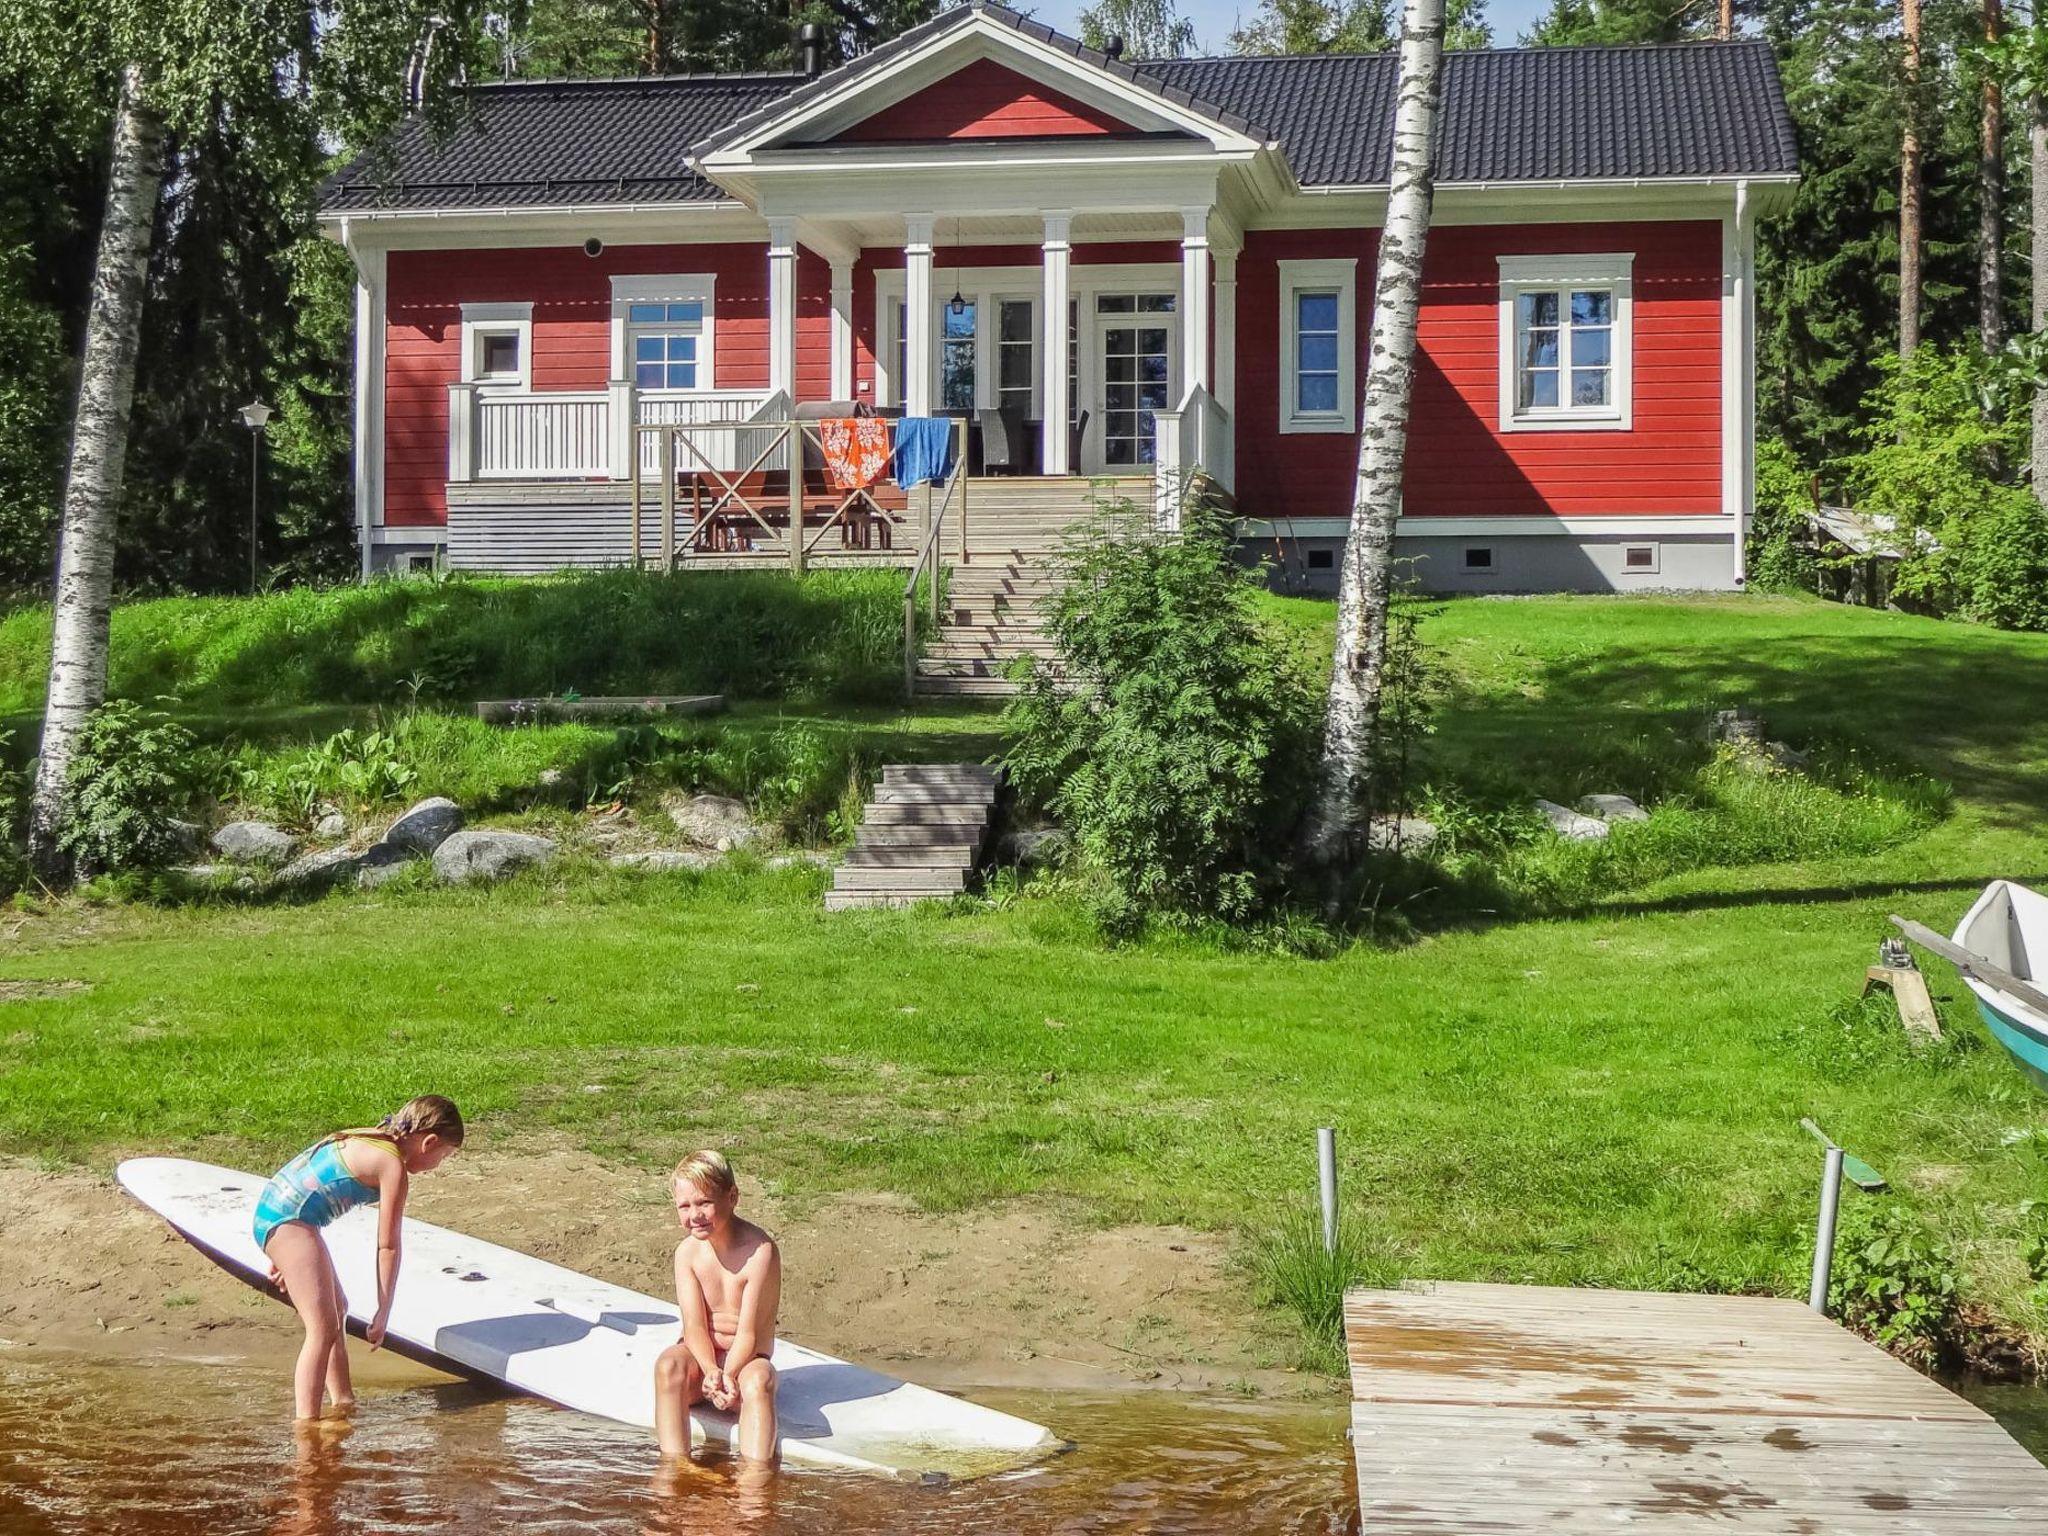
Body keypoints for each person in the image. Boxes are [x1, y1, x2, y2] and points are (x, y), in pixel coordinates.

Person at [252, 1095, 465, 1422]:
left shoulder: (375, 1136)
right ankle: (306, 1426)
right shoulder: (392, 1166)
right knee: (321, 1329)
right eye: (445, 1155)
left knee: (337, 1310)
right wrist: (384, 1308)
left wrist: (286, 1254)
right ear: (429, 1142)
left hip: (281, 1216)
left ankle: (343, 1402)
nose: (441, 1163)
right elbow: (388, 1245)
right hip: (290, 1222)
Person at [652, 1150, 781, 1462]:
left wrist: (728, 1374)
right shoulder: (687, 1254)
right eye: (685, 1206)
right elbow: (694, 1327)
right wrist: (710, 1371)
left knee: (759, 1382)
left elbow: (748, 1334)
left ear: (732, 1197)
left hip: (746, 1360)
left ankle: (755, 1478)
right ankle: (674, 1466)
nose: (695, 1214)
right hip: (702, 1363)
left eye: (704, 1203)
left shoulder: (759, 1252)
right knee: (667, 1366)